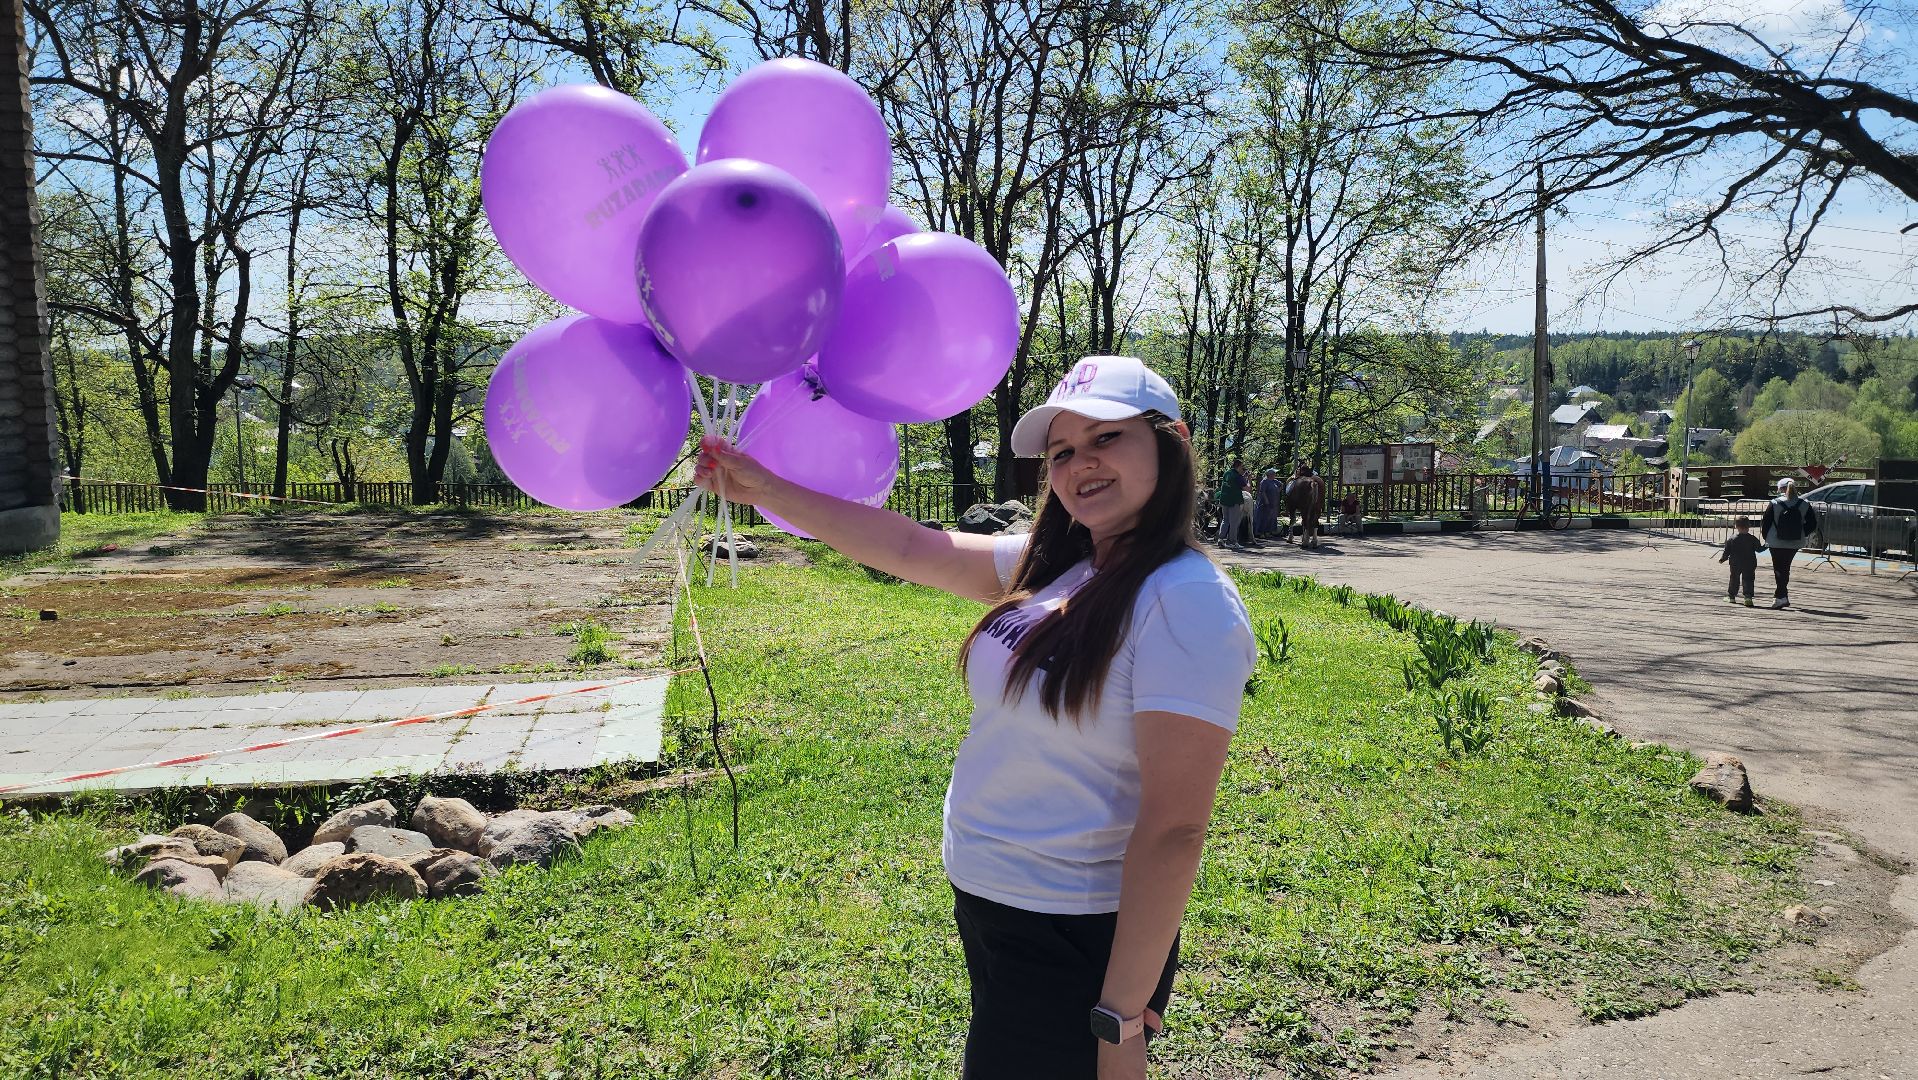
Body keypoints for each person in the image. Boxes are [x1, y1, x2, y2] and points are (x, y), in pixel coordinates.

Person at [695, 355, 1256, 1079]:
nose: (1081, 464)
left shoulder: (1184, 599)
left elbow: (1176, 828)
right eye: (1062, 452)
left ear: (1171, 439)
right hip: (1002, 907)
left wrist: (1117, 1018)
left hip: (1070, 928)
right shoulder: (1066, 565)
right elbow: (907, 546)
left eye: (1107, 438)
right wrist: (762, 486)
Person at [1760, 477, 1820, 609]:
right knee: (1785, 568)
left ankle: (1781, 596)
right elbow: (1812, 523)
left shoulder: (1774, 503)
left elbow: (1765, 523)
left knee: (1779, 569)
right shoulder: (1804, 504)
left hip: (1775, 542)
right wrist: (1801, 533)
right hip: (1794, 542)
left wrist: (1767, 538)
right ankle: (1782, 596)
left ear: (1780, 489)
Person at [1719, 516, 1765, 607]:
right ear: (1749, 526)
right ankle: (1748, 597)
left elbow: (1727, 551)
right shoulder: (1752, 539)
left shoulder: (1732, 538)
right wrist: (1767, 545)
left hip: (1735, 563)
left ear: (1736, 526)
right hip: (1750, 563)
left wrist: (1723, 559)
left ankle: (1731, 596)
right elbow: (1759, 549)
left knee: (1734, 579)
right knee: (1748, 579)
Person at [1214, 458, 1246, 549]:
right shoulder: (1238, 476)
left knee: (1225, 520)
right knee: (1234, 522)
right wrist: (1248, 479)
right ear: (1239, 466)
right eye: (1242, 466)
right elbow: (1247, 488)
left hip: (1224, 499)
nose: (1243, 468)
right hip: (1234, 501)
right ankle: (1232, 541)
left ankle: (1221, 539)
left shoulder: (1227, 473)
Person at [1255, 468, 1284, 538]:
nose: (1275, 475)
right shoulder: (1264, 481)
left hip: (1274, 502)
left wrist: (1278, 490)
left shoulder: (1275, 481)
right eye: (1274, 473)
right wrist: (1266, 500)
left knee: (1271, 517)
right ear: (1270, 475)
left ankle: (1268, 531)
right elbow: (1263, 491)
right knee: (1264, 517)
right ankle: (1261, 532)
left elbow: (1281, 485)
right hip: (1266, 502)